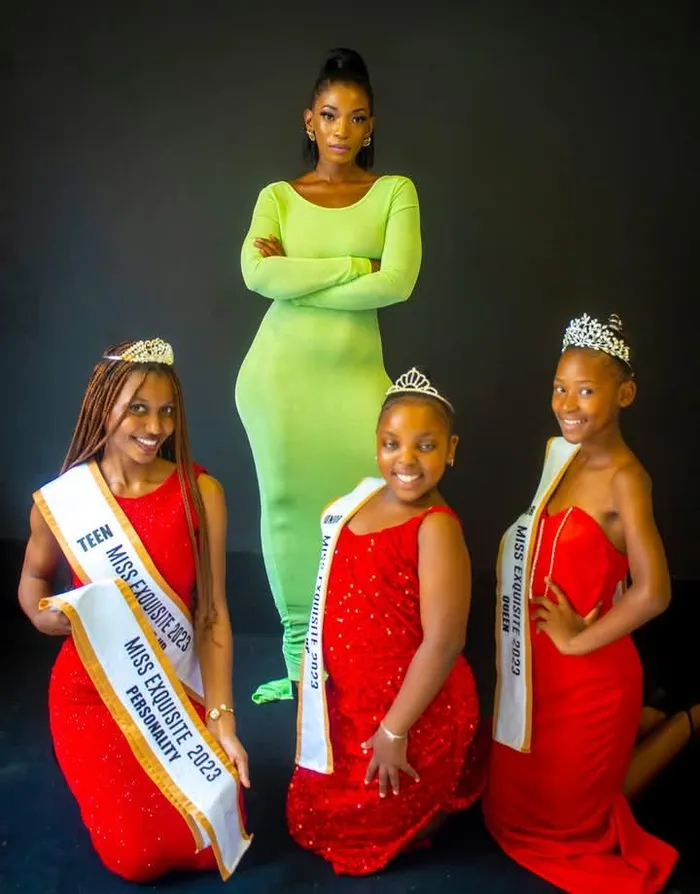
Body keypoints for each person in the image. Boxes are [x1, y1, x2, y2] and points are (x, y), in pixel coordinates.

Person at [18, 339, 250, 882]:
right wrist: (40, 615)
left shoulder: (201, 492)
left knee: (209, 836)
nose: (155, 426)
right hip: (92, 694)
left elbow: (212, 613)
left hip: (176, 687)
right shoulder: (64, 500)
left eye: (167, 411)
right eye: (138, 409)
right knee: (138, 859)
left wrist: (222, 719)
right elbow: (32, 580)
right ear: (104, 408)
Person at [236, 47, 422, 704]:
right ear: (309, 120)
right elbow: (256, 274)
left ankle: (359, 651)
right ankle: (298, 665)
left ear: (371, 127)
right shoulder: (277, 198)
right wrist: (353, 266)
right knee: (288, 510)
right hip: (278, 379)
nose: (342, 129)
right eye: (330, 115)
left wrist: (300, 276)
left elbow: (397, 284)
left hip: (355, 381)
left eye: (357, 117)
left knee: (369, 507)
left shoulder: (395, 192)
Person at [483, 314, 678, 893]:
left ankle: (686, 724)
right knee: (507, 815)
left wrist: (575, 640)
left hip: (591, 671)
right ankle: (647, 723)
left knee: (569, 831)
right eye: (559, 387)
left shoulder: (626, 478)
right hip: (536, 670)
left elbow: (655, 591)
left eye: (586, 390)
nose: (567, 404)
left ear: (625, 395)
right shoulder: (563, 456)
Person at [288, 367, 485, 876]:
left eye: (425, 446)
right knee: (313, 814)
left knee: (365, 827)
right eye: (392, 444)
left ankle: (440, 791)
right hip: (351, 701)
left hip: (409, 708)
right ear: (376, 443)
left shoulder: (435, 527)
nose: (407, 460)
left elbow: (444, 642)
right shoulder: (355, 504)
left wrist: (395, 731)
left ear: (451, 449)